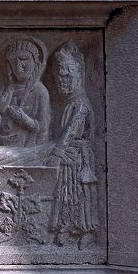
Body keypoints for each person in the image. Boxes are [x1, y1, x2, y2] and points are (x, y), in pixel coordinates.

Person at [49, 40, 98, 250]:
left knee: (81, 193)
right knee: (66, 192)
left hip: (79, 157)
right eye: (59, 74)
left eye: (66, 74)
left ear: (77, 73)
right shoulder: (69, 102)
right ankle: (67, 227)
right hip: (69, 157)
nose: (62, 78)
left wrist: (57, 150)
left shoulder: (81, 104)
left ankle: (86, 230)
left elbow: (71, 131)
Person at [0, 36, 50, 147]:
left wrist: (23, 119)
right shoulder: (8, 87)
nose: (18, 65)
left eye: (23, 59)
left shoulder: (40, 91)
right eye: (13, 61)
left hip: (28, 146)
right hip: (4, 142)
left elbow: (43, 127)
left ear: (35, 62)